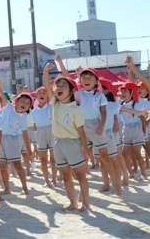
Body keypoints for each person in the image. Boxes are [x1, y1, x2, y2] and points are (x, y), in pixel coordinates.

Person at [56, 55, 121, 196]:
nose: (86, 80)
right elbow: (67, 76)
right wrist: (60, 62)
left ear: (96, 82)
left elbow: (103, 112)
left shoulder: (100, 96)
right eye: (83, 77)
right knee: (82, 160)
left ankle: (116, 186)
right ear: (79, 80)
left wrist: (101, 126)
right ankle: (82, 193)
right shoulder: (78, 92)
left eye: (90, 78)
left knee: (105, 158)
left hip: (96, 126)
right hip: (80, 127)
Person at [43, 63, 90, 212]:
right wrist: (45, 71)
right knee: (65, 176)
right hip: (58, 143)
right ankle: (73, 203)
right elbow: (46, 85)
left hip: (73, 143)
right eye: (57, 85)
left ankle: (86, 203)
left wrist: (85, 148)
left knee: (80, 175)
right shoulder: (55, 104)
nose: (59, 87)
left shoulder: (76, 109)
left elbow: (81, 131)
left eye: (63, 85)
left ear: (71, 91)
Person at [0, 78, 32, 195]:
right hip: (0, 138)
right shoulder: (8, 107)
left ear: (29, 107)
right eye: (22, 101)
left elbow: (25, 133)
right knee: (3, 166)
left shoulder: (23, 118)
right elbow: (3, 97)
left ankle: (25, 188)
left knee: (17, 165)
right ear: (16, 101)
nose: (24, 104)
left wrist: (28, 147)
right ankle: (7, 188)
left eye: (27, 103)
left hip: (13, 140)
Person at [31, 86, 57, 187]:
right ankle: (46, 180)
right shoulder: (34, 112)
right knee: (43, 160)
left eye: (44, 93)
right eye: (39, 93)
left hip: (52, 131)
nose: (42, 95)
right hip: (40, 133)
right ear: (36, 96)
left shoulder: (52, 107)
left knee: (53, 159)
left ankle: (54, 179)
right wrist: (36, 139)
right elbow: (35, 126)